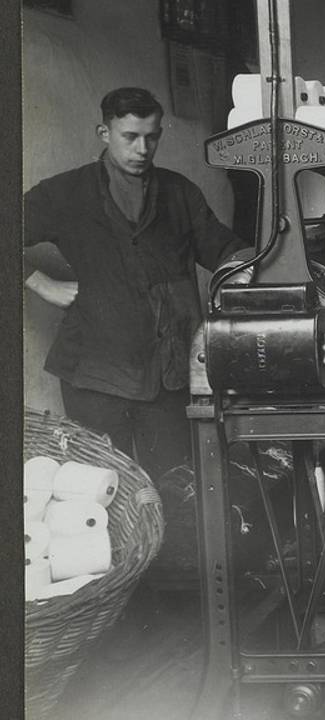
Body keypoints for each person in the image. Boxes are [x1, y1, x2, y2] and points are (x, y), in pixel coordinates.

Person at [23, 87, 247, 480]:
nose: (143, 148)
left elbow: (222, 249)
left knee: (176, 485)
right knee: (103, 489)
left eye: (152, 136)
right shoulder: (64, 193)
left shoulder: (179, 192)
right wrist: (41, 283)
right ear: (104, 132)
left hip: (169, 373)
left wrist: (252, 268)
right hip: (95, 375)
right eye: (130, 136)